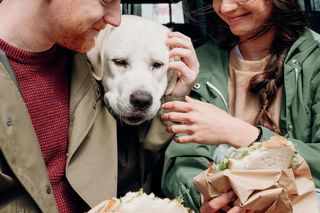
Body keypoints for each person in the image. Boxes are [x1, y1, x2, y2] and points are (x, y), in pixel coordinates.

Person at [0, 0, 198, 212]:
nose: (116, 19)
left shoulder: (82, 60)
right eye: (106, 0)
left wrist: (173, 99)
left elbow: (116, 175)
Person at [160, 0, 320, 212]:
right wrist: (204, 199)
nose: (225, 8)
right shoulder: (199, 64)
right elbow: (183, 160)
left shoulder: (315, 61)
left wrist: (246, 136)